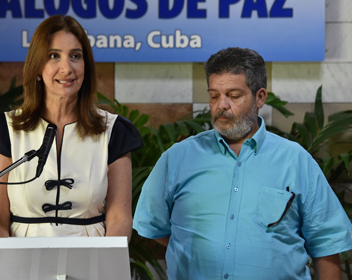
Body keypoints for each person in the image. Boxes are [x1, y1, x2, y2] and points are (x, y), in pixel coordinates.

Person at [133, 47, 352, 279]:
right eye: (214, 95)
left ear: (260, 97)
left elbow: (327, 245)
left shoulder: (295, 160)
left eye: (234, 95)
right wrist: (195, 249)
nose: (222, 105)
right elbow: (155, 227)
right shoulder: (177, 158)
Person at [0, 15, 142, 239]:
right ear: (37, 66)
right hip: (23, 264)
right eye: (54, 56)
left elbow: (119, 218)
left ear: (85, 66)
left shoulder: (114, 131)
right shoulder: (5, 130)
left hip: (92, 265)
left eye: (75, 56)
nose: (66, 68)